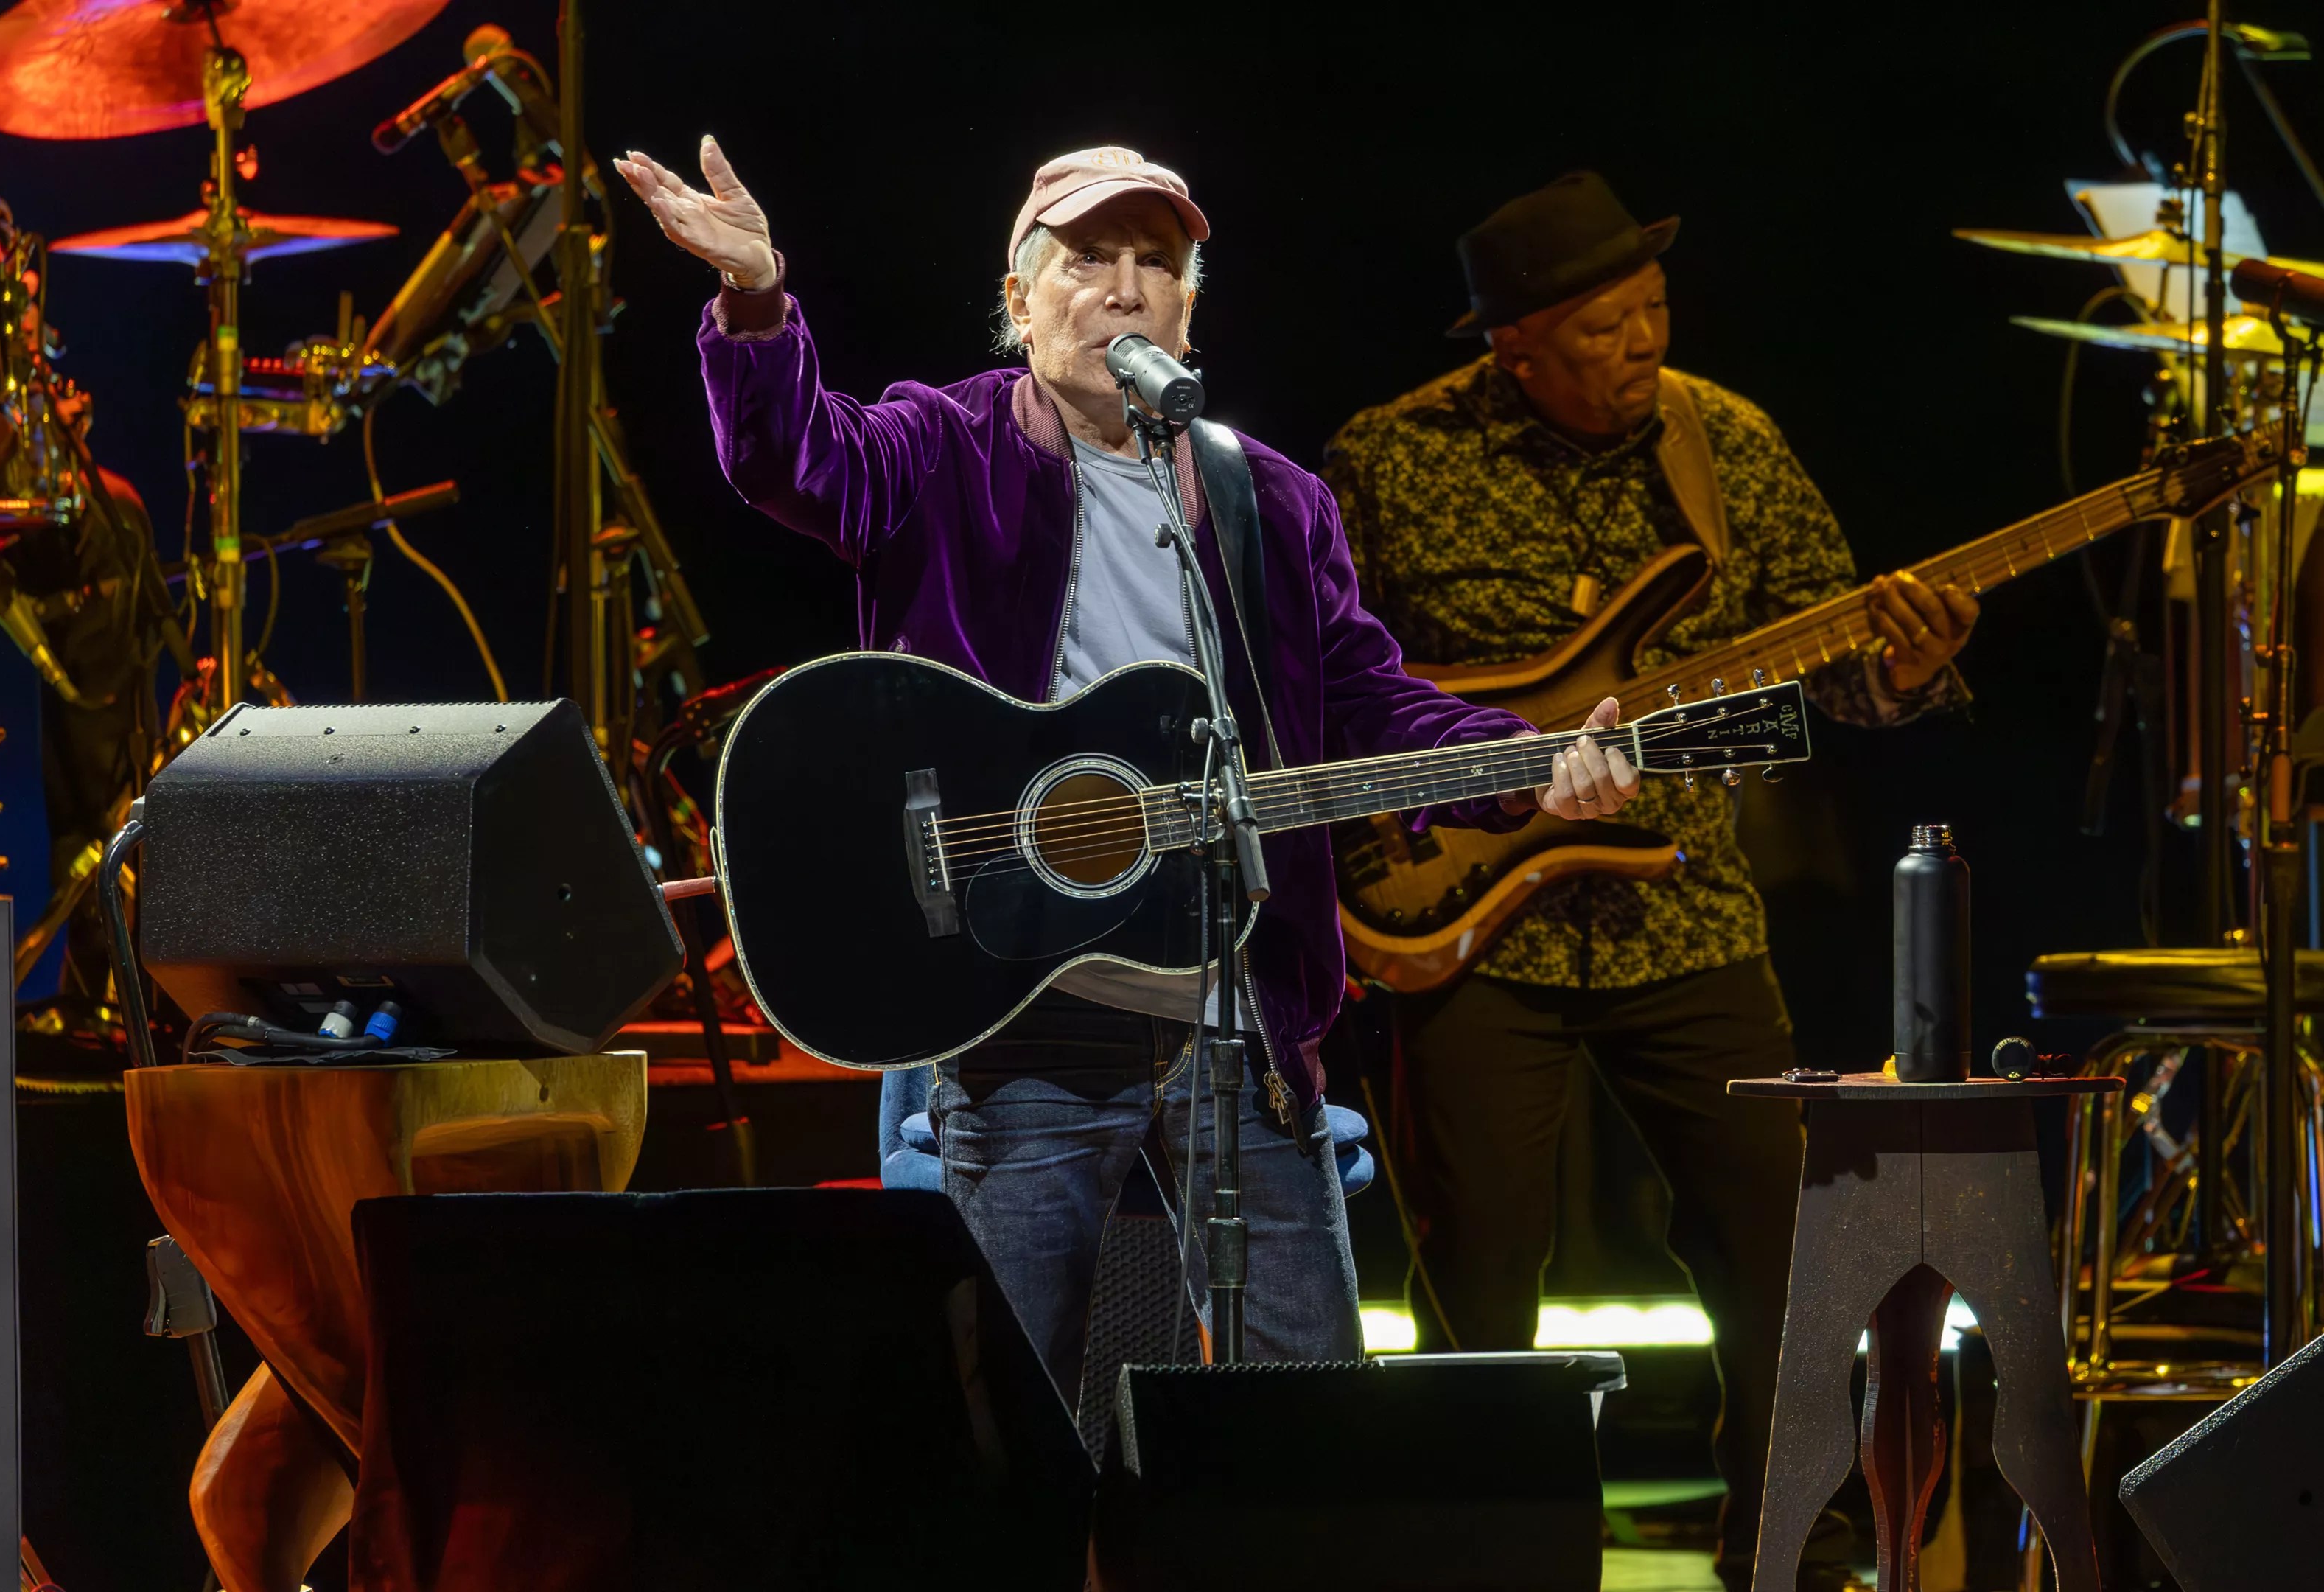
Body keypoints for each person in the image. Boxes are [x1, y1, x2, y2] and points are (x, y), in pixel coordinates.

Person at [615, 141, 1639, 1402]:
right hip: (1020, 1006)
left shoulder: (1270, 497)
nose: (1123, 288)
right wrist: (759, 301)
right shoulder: (943, 446)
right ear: (1022, 293)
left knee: (1301, 1404)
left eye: (1156, 263)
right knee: (1016, 1413)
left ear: (1190, 307)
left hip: (1234, 1013)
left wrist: (1531, 769)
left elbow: (1366, 702)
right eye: (1087, 259)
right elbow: (791, 460)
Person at [1322, 171, 1976, 1591]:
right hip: (1464, 922)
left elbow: (1835, 667)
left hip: (1680, 911)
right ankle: (1500, 1555)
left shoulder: (1721, 439)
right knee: (1483, 1275)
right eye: (1607, 327)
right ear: (1516, 347)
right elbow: (1320, 686)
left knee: (1778, 1246)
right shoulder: (1386, 458)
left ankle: (1794, 1539)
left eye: (1654, 314)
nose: (1643, 347)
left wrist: (1904, 674)